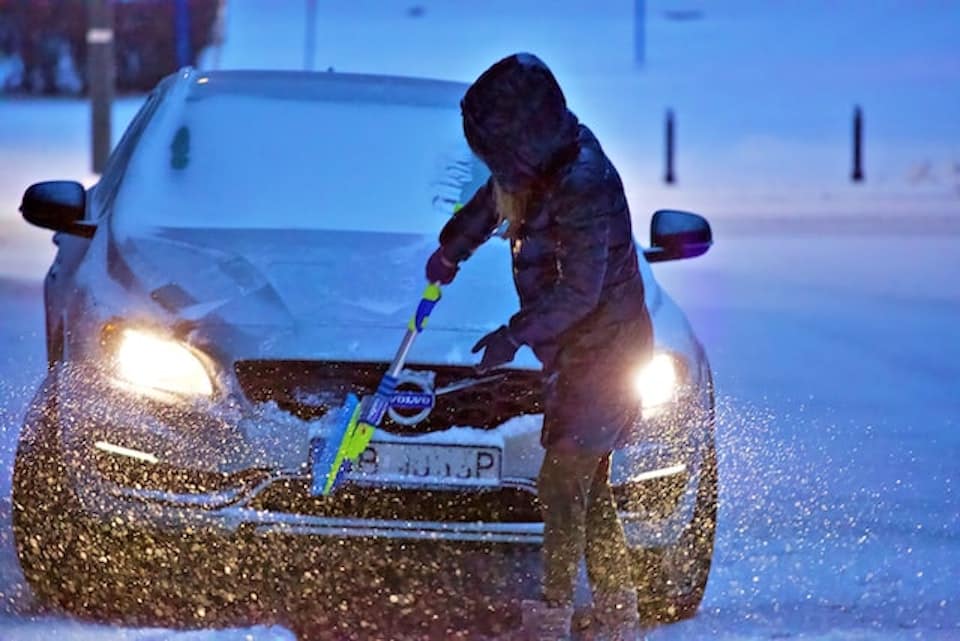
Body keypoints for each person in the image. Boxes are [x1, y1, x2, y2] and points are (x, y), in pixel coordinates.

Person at [425, 53, 653, 641]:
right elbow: (490, 203)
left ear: (524, 139)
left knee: (559, 483)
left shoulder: (584, 183)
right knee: (587, 486)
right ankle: (618, 612)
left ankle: (552, 616)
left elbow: (580, 293)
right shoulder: (538, 170)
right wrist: (452, 250)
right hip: (579, 356)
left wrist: (513, 334)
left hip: (608, 354)